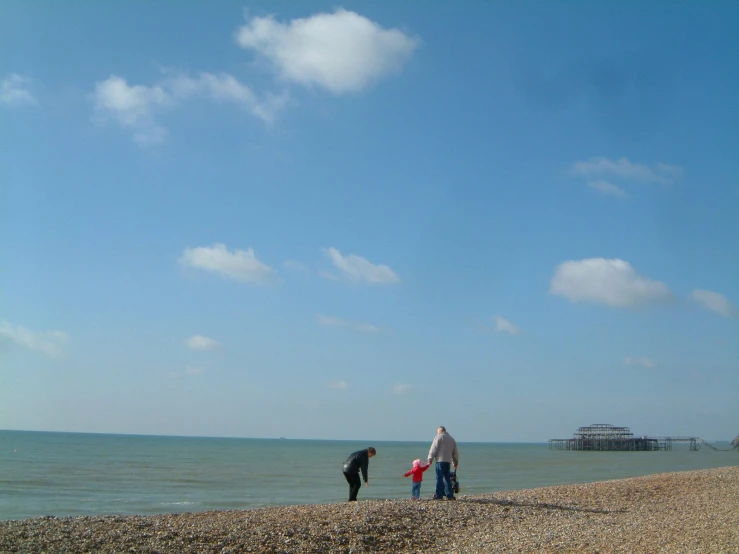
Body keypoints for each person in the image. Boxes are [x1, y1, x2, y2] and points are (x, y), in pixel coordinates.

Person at [427, 426, 459, 500]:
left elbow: (434, 448)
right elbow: (455, 452)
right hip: (448, 461)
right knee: (447, 478)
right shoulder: (451, 439)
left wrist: (430, 458)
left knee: (439, 478)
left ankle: (439, 495)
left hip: (440, 460)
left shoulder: (438, 437)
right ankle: (449, 495)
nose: (437, 433)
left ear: (440, 431)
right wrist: (455, 461)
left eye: (438, 432)